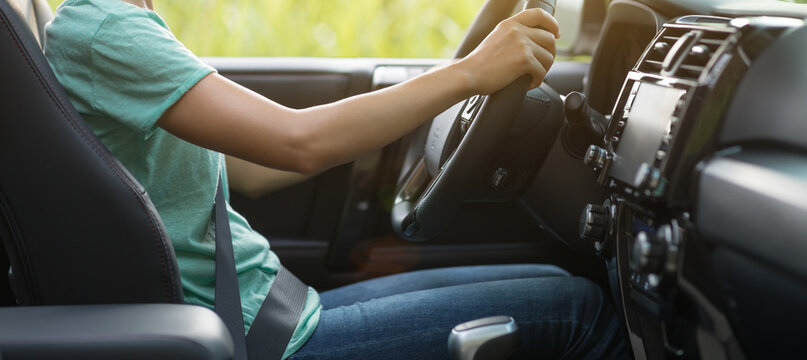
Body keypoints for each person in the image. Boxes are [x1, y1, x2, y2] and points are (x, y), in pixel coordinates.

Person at [44, 0, 628, 358]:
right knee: (581, 312)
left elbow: (255, 167)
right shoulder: (103, 30)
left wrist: (462, 74)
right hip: (252, 338)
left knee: (550, 276)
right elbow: (297, 143)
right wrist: (470, 74)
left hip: (269, 307)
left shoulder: (128, 20)